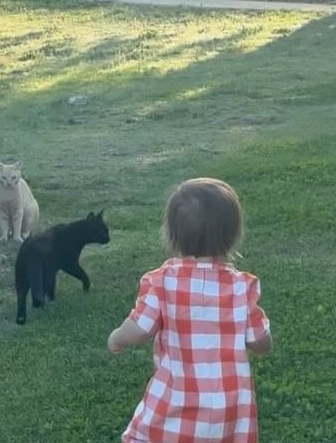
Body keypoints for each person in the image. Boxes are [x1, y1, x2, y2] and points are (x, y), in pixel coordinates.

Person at [108, 177, 272, 443]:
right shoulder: (242, 288)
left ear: (172, 235)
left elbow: (139, 330)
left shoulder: (161, 282)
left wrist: (116, 338)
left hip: (173, 407)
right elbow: (261, 343)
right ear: (233, 235)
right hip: (228, 416)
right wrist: (263, 340)